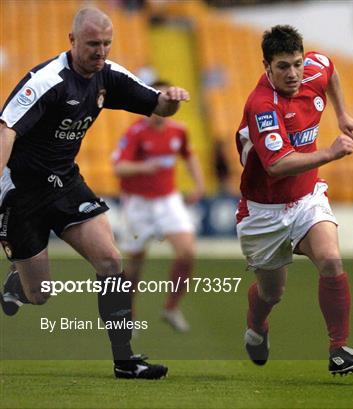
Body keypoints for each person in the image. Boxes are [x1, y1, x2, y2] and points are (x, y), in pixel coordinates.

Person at [0, 7, 190, 379]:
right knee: (39, 295)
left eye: (106, 43)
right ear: (72, 41)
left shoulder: (109, 76)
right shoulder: (46, 80)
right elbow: (6, 129)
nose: (100, 51)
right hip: (22, 191)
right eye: (92, 44)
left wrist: (173, 98)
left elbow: (158, 105)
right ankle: (18, 282)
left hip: (66, 183)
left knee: (110, 260)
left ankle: (126, 360)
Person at [235, 25, 353, 375]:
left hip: (306, 197)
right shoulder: (262, 105)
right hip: (262, 211)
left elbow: (330, 68)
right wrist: (330, 153)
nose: (293, 73)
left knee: (331, 260)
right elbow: (277, 165)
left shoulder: (314, 68)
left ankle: (339, 349)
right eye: (282, 67)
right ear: (267, 66)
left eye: (296, 63)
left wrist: (342, 114)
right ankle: (257, 325)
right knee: (271, 294)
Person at [113, 80, 205, 332]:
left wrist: (199, 184)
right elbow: (119, 167)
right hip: (138, 203)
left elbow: (189, 155)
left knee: (187, 252)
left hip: (168, 200)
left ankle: (171, 308)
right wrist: (144, 167)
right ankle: (127, 314)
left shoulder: (179, 130)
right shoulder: (135, 133)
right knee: (134, 264)